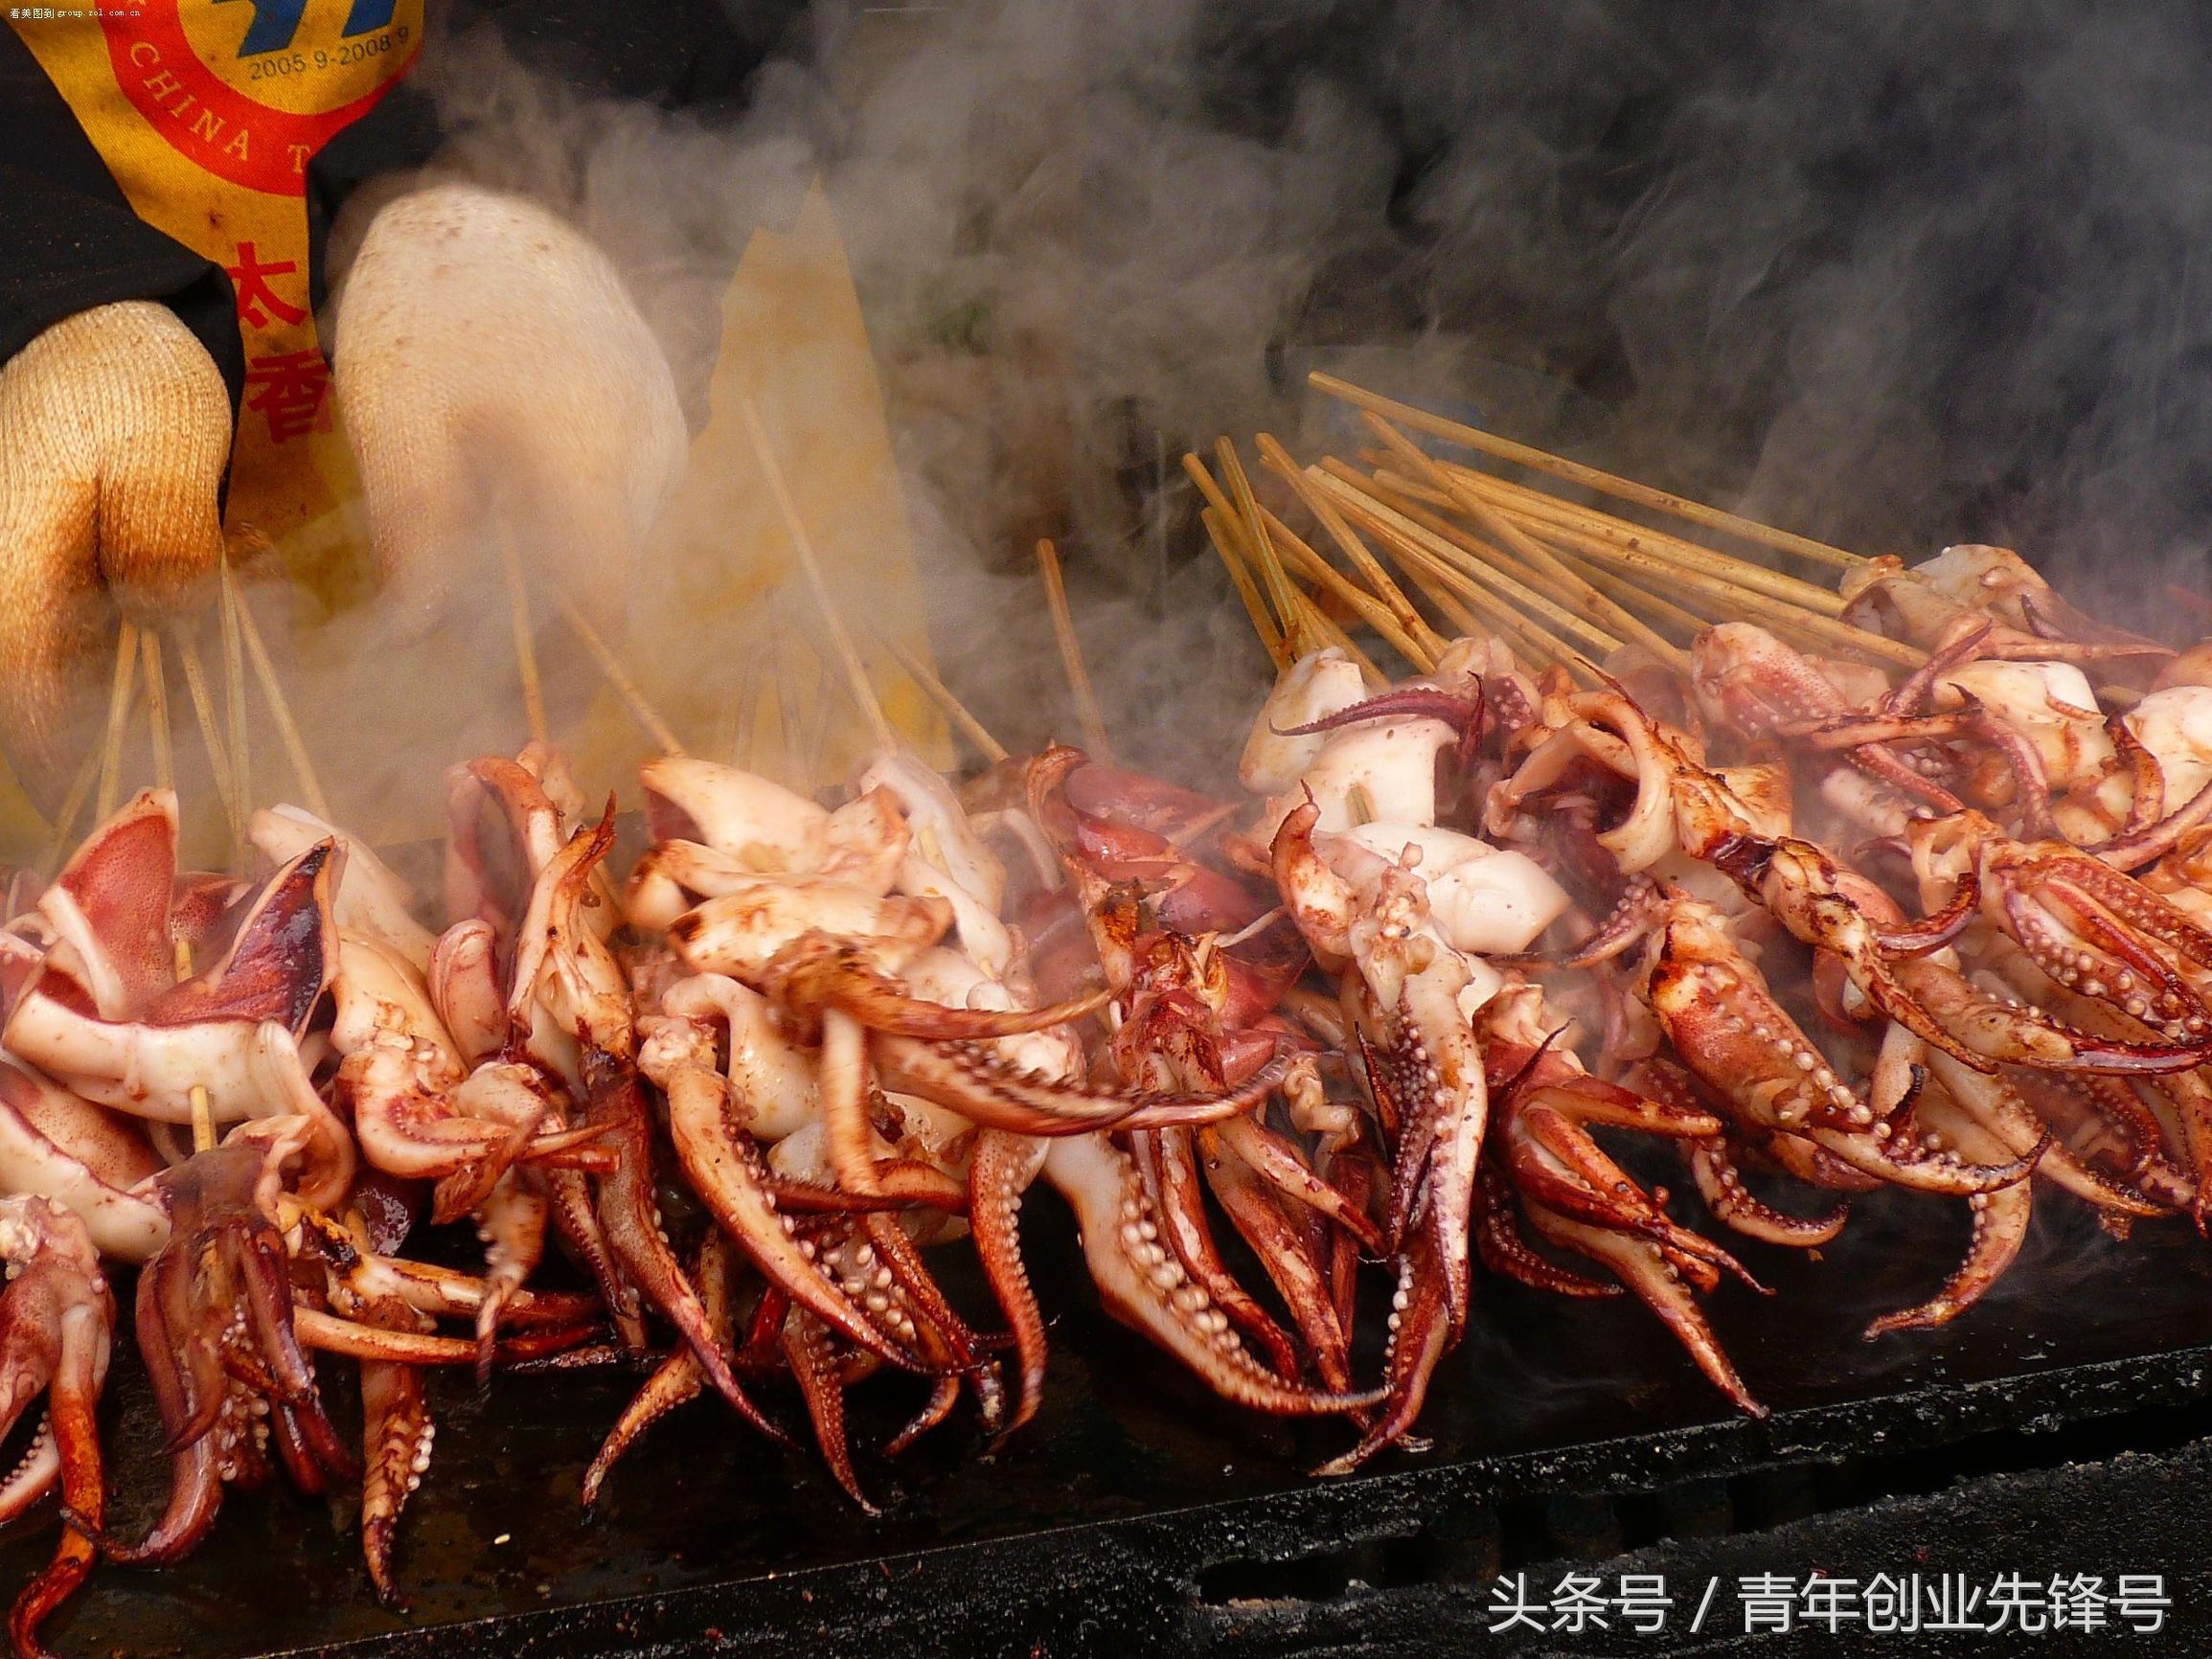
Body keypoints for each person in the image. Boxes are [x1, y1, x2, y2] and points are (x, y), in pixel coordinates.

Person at [0, 0, 800, 835]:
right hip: (40, 417)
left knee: (728, 858)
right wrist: (38, 284)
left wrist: (538, 188)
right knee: (132, 887)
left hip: (578, 321)